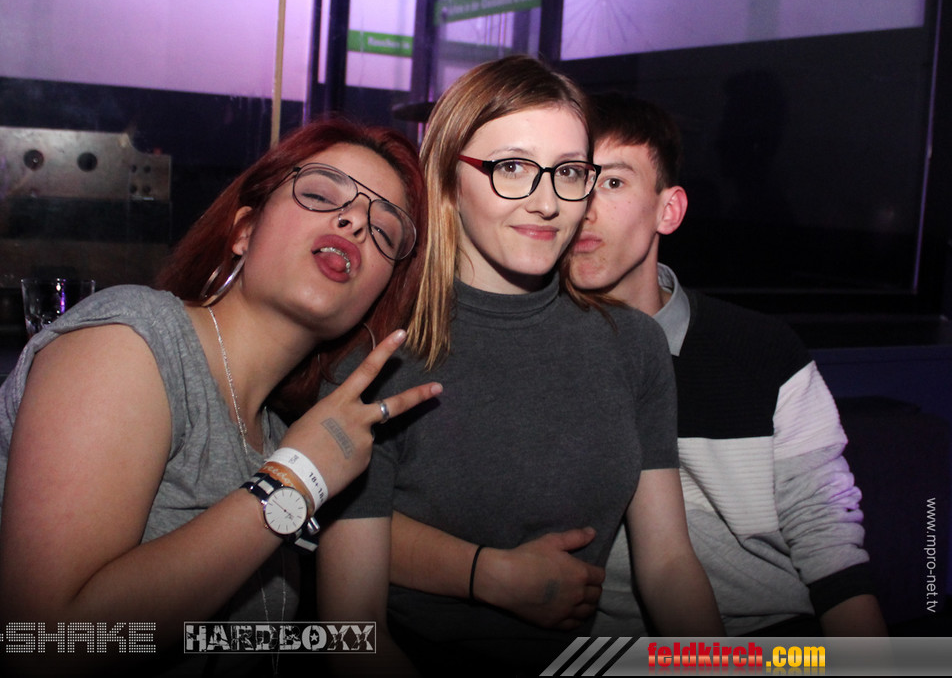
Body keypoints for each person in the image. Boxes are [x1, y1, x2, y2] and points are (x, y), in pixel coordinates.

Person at [0, 117, 442, 676]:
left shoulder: (280, 435)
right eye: (320, 195)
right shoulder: (131, 338)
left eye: (384, 230)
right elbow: (50, 648)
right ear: (244, 230)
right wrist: (294, 479)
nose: (356, 221)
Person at [320, 56, 723, 678]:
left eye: (569, 172)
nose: (546, 202)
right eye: (511, 167)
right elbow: (352, 632)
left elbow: (669, 564)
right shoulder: (379, 355)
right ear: (448, 178)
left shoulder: (634, 346)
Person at [569, 91, 887, 636]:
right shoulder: (534, 355)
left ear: (668, 210)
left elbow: (826, 537)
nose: (586, 208)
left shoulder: (761, 350)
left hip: (773, 638)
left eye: (614, 183)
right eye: (574, 179)